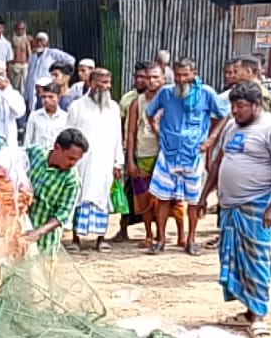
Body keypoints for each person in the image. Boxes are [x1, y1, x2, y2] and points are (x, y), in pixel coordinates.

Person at [199, 82, 271, 338]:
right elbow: (219, 162)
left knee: (258, 260)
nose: (235, 110)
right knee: (237, 260)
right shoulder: (231, 126)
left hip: (258, 205)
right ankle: (247, 310)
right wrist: (203, 196)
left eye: (241, 106)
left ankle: (259, 316)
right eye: (233, 105)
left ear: (256, 105)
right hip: (230, 207)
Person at [145, 58, 227, 255]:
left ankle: (191, 240)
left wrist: (211, 139)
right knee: (163, 198)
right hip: (168, 153)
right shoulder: (166, 92)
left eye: (185, 75)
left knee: (193, 200)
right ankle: (161, 239)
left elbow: (224, 114)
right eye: (178, 75)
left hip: (194, 153)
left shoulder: (206, 93)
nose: (181, 79)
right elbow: (149, 113)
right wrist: (158, 131)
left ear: (194, 74)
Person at [63, 66, 124, 253]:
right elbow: (68, 133)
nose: (106, 87)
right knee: (78, 197)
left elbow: (117, 136)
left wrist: (118, 162)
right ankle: (75, 238)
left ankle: (101, 239)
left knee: (102, 198)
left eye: (108, 83)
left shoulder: (113, 108)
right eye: (102, 82)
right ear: (91, 83)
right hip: (81, 162)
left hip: (104, 163)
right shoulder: (77, 106)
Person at [11, 129, 88, 253]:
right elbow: (16, 160)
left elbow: (61, 215)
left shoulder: (71, 180)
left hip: (45, 245)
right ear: (57, 147)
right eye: (70, 158)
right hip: (16, 234)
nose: (73, 163)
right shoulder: (35, 154)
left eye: (76, 160)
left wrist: (38, 232)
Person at [123, 61, 164, 248]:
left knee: (165, 197)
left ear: (163, 79)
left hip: (164, 154)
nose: (151, 81)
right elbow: (131, 133)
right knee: (143, 197)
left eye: (156, 77)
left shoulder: (169, 101)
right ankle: (148, 234)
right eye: (147, 77)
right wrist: (130, 160)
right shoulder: (136, 103)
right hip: (143, 154)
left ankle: (163, 235)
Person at [23, 33, 75, 117]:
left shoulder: (52, 53)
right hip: (34, 90)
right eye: (38, 41)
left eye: (42, 41)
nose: (39, 43)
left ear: (47, 43)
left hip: (48, 89)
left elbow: (71, 59)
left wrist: (63, 69)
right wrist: (26, 93)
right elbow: (29, 75)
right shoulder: (32, 57)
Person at [24, 79, 69, 149]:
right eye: (44, 97)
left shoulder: (65, 117)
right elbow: (28, 141)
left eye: (51, 97)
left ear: (59, 97)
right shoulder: (34, 116)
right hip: (38, 157)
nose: (46, 100)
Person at [9, 21, 31, 95]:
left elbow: (33, 52)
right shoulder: (11, 40)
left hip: (25, 66)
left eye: (22, 29)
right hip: (15, 67)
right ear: (15, 29)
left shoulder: (28, 39)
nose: (20, 31)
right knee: (16, 88)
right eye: (18, 29)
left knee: (26, 88)